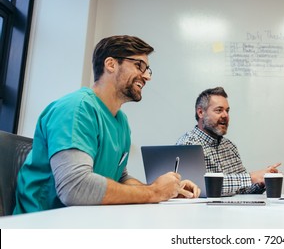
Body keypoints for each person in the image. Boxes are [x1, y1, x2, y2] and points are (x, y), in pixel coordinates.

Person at [14, 35, 200, 214]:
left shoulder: (121, 121)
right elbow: (74, 188)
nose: (146, 76)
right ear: (110, 64)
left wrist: (167, 191)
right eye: (138, 66)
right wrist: (153, 193)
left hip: (85, 220)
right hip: (44, 224)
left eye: (147, 70)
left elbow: (120, 178)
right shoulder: (77, 109)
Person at [176, 87, 281, 196]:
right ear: (201, 112)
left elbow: (243, 189)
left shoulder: (229, 146)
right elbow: (199, 188)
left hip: (232, 211)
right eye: (219, 110)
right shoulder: (187, 145)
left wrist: (262, 181)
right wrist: (251, 177)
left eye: (227, 110)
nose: (225, 115)